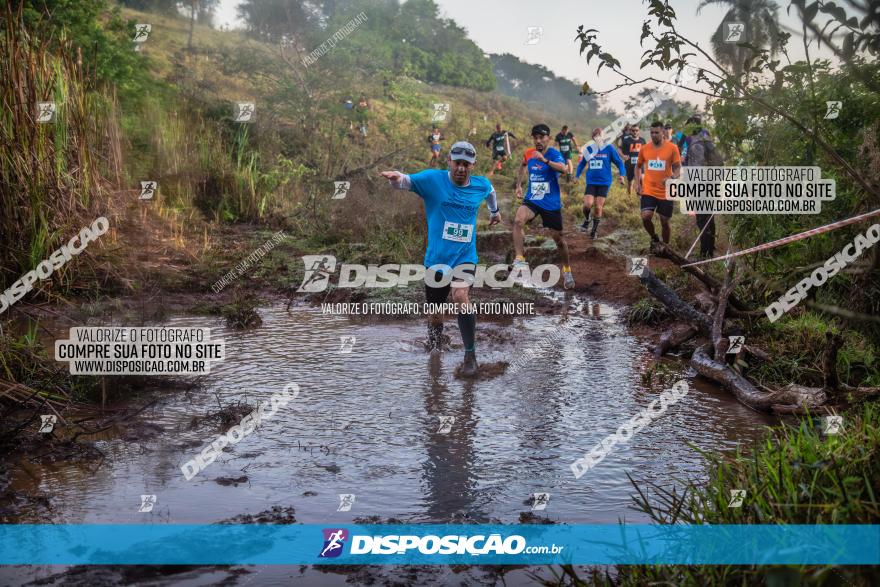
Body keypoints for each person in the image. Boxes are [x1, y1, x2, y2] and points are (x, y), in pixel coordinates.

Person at [380, 142, 501, 376]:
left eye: (466, 164)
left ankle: (470, 356)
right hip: (436, 260)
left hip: (465, 257)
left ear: (473, 166)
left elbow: (491, 192)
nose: (461, 169)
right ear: (449, 161)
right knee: (435, 314)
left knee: (460, 294)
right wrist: (395, 178)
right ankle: (435, 353)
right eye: (458, 163)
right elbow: (406, 181)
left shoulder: (480, 185)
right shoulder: (433, 180)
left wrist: (494, 212)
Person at [513, 124, 575, 289]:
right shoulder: (529, 153)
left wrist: (545, 160)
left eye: (542, 137)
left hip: (550, 202)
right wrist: (519, 185)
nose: (538, 140)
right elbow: (523, 165)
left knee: (559, 240)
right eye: (536, 137)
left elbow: (564, 169)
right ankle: (519, 259)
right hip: (533, 198)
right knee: (519, 220)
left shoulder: (554, 153)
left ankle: (567, 270)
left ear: (549, 138)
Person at [682, 116, 722, 258]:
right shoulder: (706, 138)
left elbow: (686, 162)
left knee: (701, 218)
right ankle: (710, 249)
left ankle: (705, 251)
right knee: (709, 216)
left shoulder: (693, 139)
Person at [636, 121, 681, 245]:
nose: (653, 135)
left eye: (656, 132)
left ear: (663, 133)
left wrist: (671, 177)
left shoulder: (672, 148)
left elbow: (678, 168)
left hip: (666, 191)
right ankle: (654, 238)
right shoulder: (645, 149)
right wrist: (638, 184)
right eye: (652, 132)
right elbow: (638, 167)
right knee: (645, 217)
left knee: (664, 221)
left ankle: (666, 247)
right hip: (649, 189)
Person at [575, 128, 626, 239]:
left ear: (603, 136)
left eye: (600, 135)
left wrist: (622, 175)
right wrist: (576, 176)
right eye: (595, 135)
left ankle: (594, 231)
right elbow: (582, 164)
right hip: (591, 181)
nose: (598, 137)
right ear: (593, 137)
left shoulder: (609, 148)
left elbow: (619, 162)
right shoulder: (589, 149)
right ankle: (587, 219)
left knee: (598, 207)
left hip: (604, 182)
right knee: (587, 205)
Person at [620, 124, 646, 195]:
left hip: (640, 165)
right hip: (629, 164)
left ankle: (640, 195)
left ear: (639, 131)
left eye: (636, 130)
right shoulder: (626, 141)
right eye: (633, 130)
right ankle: (630, 198)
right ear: (630, 131)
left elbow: (646, 150)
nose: (635, 132)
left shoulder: (642, 140)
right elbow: (620, 149)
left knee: (642, 179)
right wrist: (623, 156)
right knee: (630, 183)